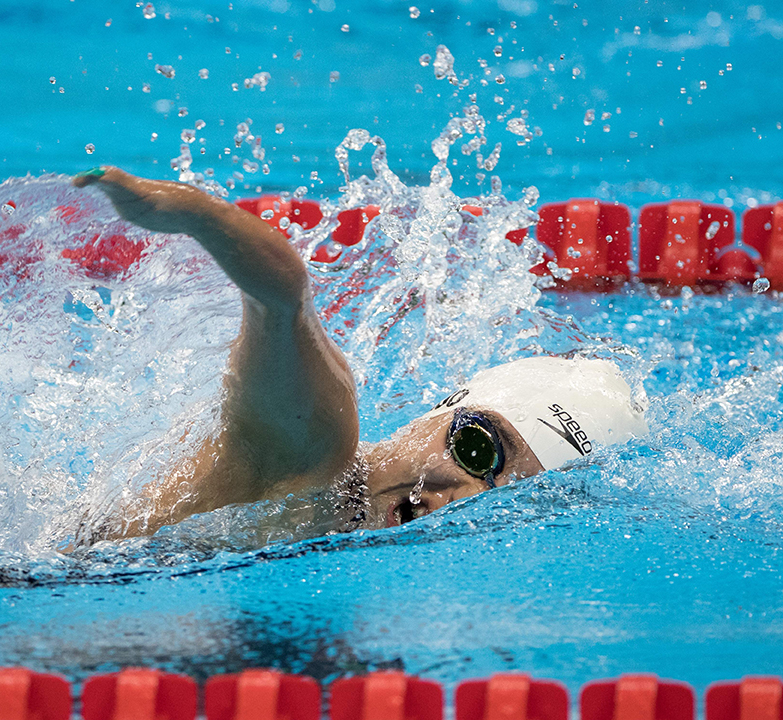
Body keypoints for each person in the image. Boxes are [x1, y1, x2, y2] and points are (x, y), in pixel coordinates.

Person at [72, 167, 647, 538]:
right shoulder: (315, 450)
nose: (464, 496)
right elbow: (281, 299)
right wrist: (197, 214)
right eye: (476, 449)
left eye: (503, 498)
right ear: (442, 411)